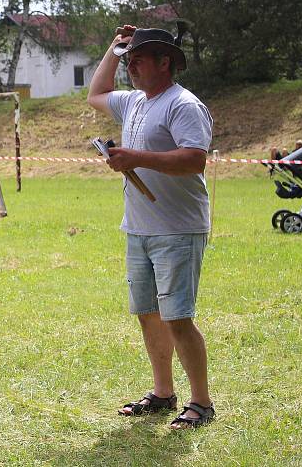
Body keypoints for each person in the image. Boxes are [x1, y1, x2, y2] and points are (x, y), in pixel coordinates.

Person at [87, 26, 215, 429]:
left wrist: (136, 158)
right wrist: (114, 48)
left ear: (166, 62)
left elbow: (195, 159)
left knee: (178, 317)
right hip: (139, 229)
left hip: (178, 228)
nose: (131, 66)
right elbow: (94, 93)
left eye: (139, 59)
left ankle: (202, 403)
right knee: (149, 314)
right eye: (130, 60)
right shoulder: (134, 103)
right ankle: (163, 393)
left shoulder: (183, 104)